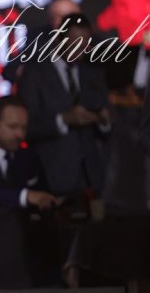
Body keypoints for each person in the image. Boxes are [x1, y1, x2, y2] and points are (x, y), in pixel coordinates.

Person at [18, 14, 111, 202]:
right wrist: (63, 120)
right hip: (51, 177)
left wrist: (104, 121)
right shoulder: (35, 74)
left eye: (85, 43)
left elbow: (107, 127)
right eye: (75, 42)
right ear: (59, 39)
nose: (81, 49)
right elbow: (26, 127)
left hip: (91, 178)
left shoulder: (92, 74)